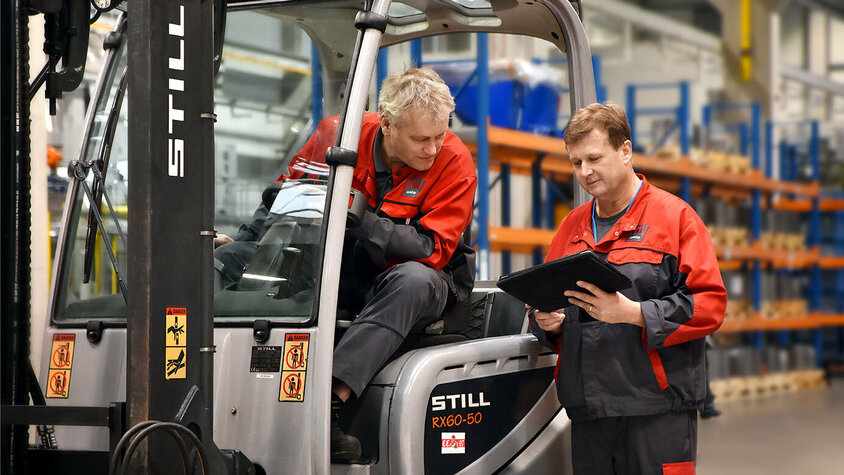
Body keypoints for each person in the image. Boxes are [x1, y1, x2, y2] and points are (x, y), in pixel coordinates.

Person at [216, 68, 477, 461]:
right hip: (342, 267)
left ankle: (328, 404)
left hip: (418, 280)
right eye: (421, 138)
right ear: (387, 125)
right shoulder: (336, 136)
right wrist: (248, 242)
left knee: (414, 280)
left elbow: (431, 249)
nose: (433, 148)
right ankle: (212, 379)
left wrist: (360, 219)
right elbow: (286, 196)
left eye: (439, 135)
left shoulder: (454, 161)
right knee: (226, 260)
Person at [528, 102, 726, 475]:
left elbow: (709, 304)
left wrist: (634, 313)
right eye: (576, 163)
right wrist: (545, 321)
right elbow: (546, 304)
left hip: (657, 411)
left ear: (625, 151)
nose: (585, 172)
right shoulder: (571, 228)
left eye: (594, 158)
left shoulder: (675, 218)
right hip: (590, 411)